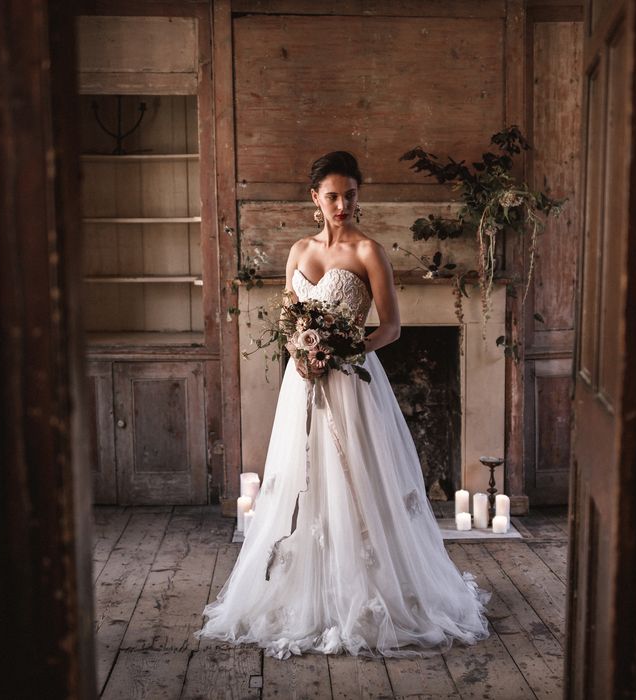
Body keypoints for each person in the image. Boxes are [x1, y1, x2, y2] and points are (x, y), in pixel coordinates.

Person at [195, 151, 491, 660]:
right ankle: (304, 589)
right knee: (303, 475)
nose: (342, 205)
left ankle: (374, 590)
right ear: (315, 199)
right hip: (303, 382)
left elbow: (392, 328)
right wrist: (301, 351)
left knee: (357, 477)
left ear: (358, 196)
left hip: (351, 380)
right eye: (331, 196)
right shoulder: (297, 250)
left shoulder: (370, 252)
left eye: (350, 195)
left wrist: (340, 350)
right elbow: (289, 319)